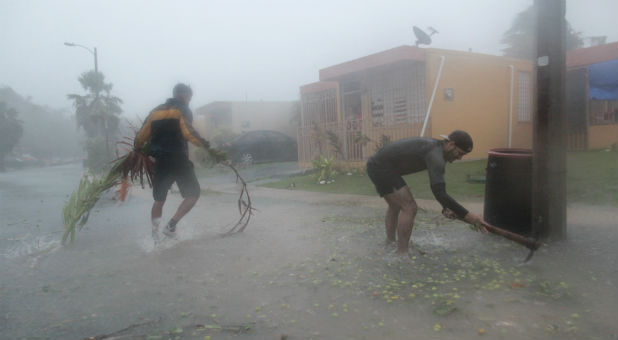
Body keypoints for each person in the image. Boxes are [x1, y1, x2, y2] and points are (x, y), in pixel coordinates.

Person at [366, 130, 488, 257]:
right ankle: (402, 254)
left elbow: (439, 191)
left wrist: (446, 207)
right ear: (451, 144)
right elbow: (439, 193)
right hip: (380, 167)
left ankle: (390, 243)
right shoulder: (436, 155)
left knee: (396, 205)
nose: (459, 158)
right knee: (409, 207)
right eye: (460, 153)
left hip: (377, 165)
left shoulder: (437, 150)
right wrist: (470, 216)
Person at [134, 83, 211, 242]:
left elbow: (141, 135)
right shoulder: (181, 109)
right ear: (183, 95)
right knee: (193, 193)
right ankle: (171, 226)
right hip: (178, 159)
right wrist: (204, 144)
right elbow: (188, 132)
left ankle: (155, 236)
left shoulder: (155, 112)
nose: (189, 101)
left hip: (161, 160)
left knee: (159, 199)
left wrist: (138, 148)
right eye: (189, 98)